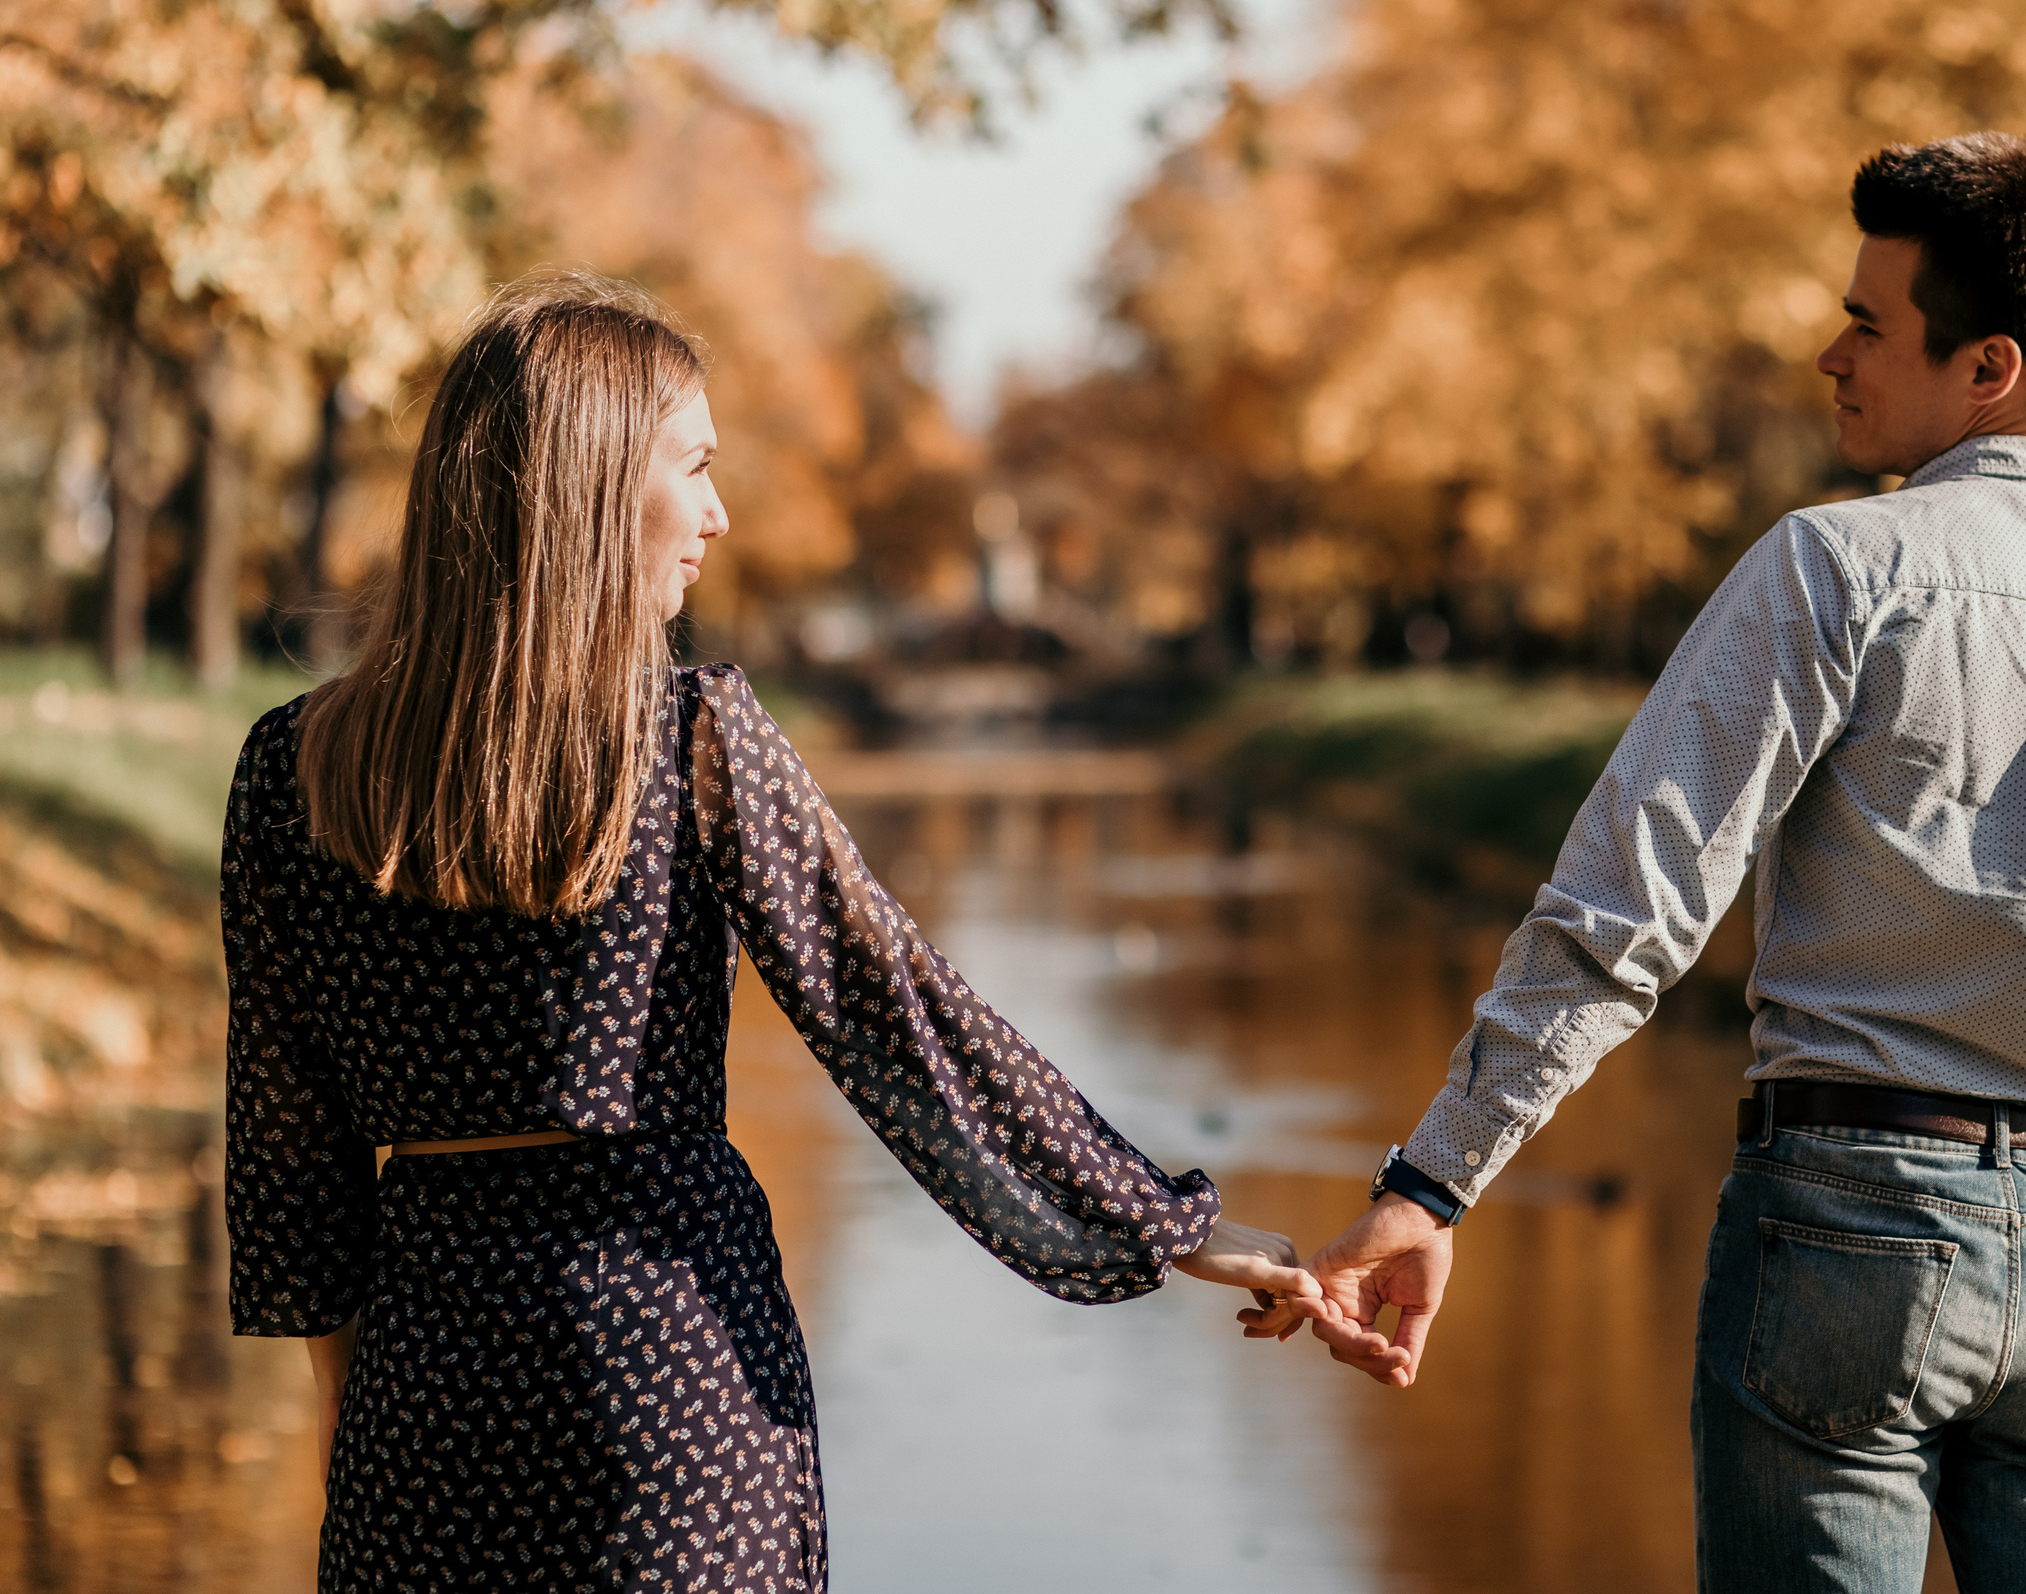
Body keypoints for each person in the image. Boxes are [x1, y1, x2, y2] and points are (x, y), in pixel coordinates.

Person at [1307, 133, 2026, 1592]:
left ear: (1988, 366)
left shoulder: (1834, 570)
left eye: (1868, 326)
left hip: (1841, 1240)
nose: (1831, 355)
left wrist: (1431, 1182)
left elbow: (1628, 907)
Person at [222, 272, 1332, 1594]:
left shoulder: (290, 769)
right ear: (590, 488)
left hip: (425, 1385)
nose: (721, 513)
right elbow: (899, 1020)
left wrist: (352, 1408)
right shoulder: (693, 736)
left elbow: (290, 1148)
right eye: (693, 468)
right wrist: (1168, 1222)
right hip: (669, 1376)